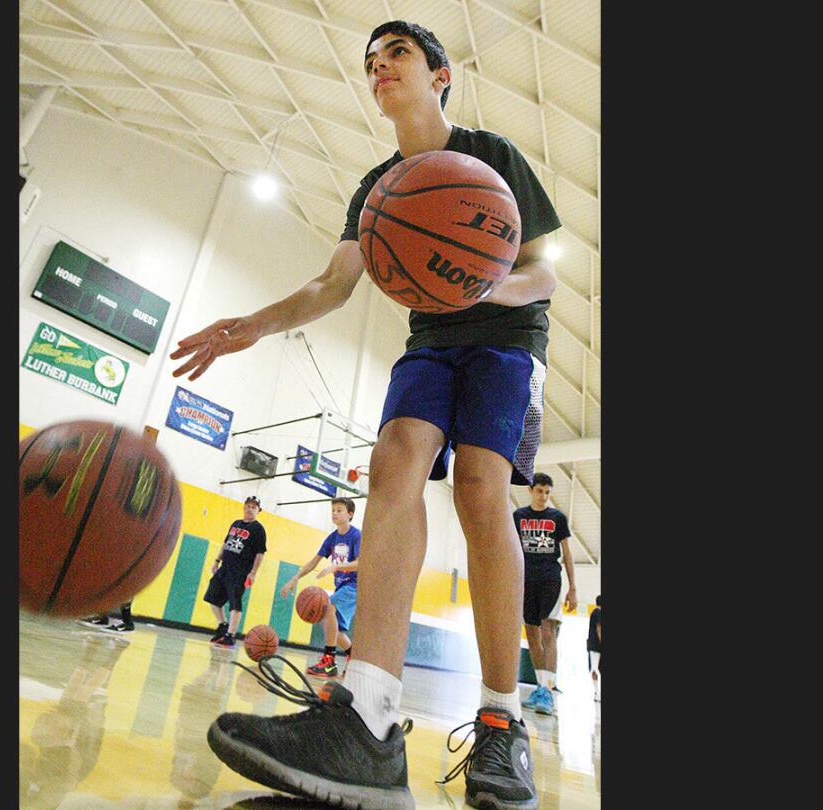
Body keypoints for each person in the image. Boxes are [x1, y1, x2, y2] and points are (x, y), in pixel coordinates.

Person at [171, 19, 560, 809]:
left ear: (440, 74)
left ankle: (501, 721)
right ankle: (371, 717)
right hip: (433, 340)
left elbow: (542, 276)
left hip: (508, 338)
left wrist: (487, 287)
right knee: (393, 463)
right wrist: (251, 323)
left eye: (398, 57)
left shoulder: (492, 157)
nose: (381, 70)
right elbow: (330, 285)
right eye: (373, 63)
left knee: (481, 489)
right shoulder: (379, 187)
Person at [279, 496, 362, 677]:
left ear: (350, 514)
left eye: (339, 510)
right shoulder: (331, 538)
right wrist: (294, 579)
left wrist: (336, 567)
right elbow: (313, 562)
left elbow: (361, 563)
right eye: (333, 510)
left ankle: (329, 662)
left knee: (327, 607)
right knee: (335, 631)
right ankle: (354, 657)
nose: (334, 513)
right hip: (342, 587)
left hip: (356, 586)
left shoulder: (356, 535)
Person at [516, 472, 577, 714]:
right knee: (531, 634)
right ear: (531, 490)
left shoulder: (557, 518)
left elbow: (567, 553)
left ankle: (548, 691)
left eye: (547, 492)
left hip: (550, 579)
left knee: (548, 632)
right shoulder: (518, 516)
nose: (543, 496)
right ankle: (540, 687)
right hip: (525, 581)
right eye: (539, 491)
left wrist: (573, 587)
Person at [205, 496, 268, 650]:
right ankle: (222, 625)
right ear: (244, 507)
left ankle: (231, 635)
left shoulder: (258, 529)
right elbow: (226, 543)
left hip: (241, 572)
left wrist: (253, 572)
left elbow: (260, 553)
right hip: (225, 567)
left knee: (235, 601)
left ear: (258, 510)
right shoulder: (235, 524)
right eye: (248, 505)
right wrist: (217, 560)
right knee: (212, 596)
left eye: (254, 507)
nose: (250, 508)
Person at [587, 595, 601, 701]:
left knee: (594, 668)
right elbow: (599, 628)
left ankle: (597, 692)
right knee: (595, 669)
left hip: (592, 645)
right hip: (596, 646)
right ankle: (597, 692)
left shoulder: (593, 612)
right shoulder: (598, 613)